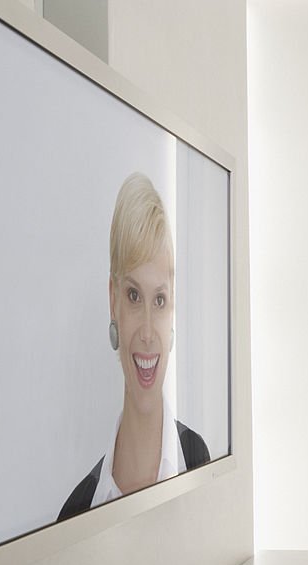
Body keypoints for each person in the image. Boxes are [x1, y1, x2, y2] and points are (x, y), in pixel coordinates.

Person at [58, 173, 209, 521]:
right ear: (113, 301)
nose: (146, 331)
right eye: (133, 295)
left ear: (173, 309)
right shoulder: (78, 511)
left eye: (159, 300)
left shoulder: (203, 463)